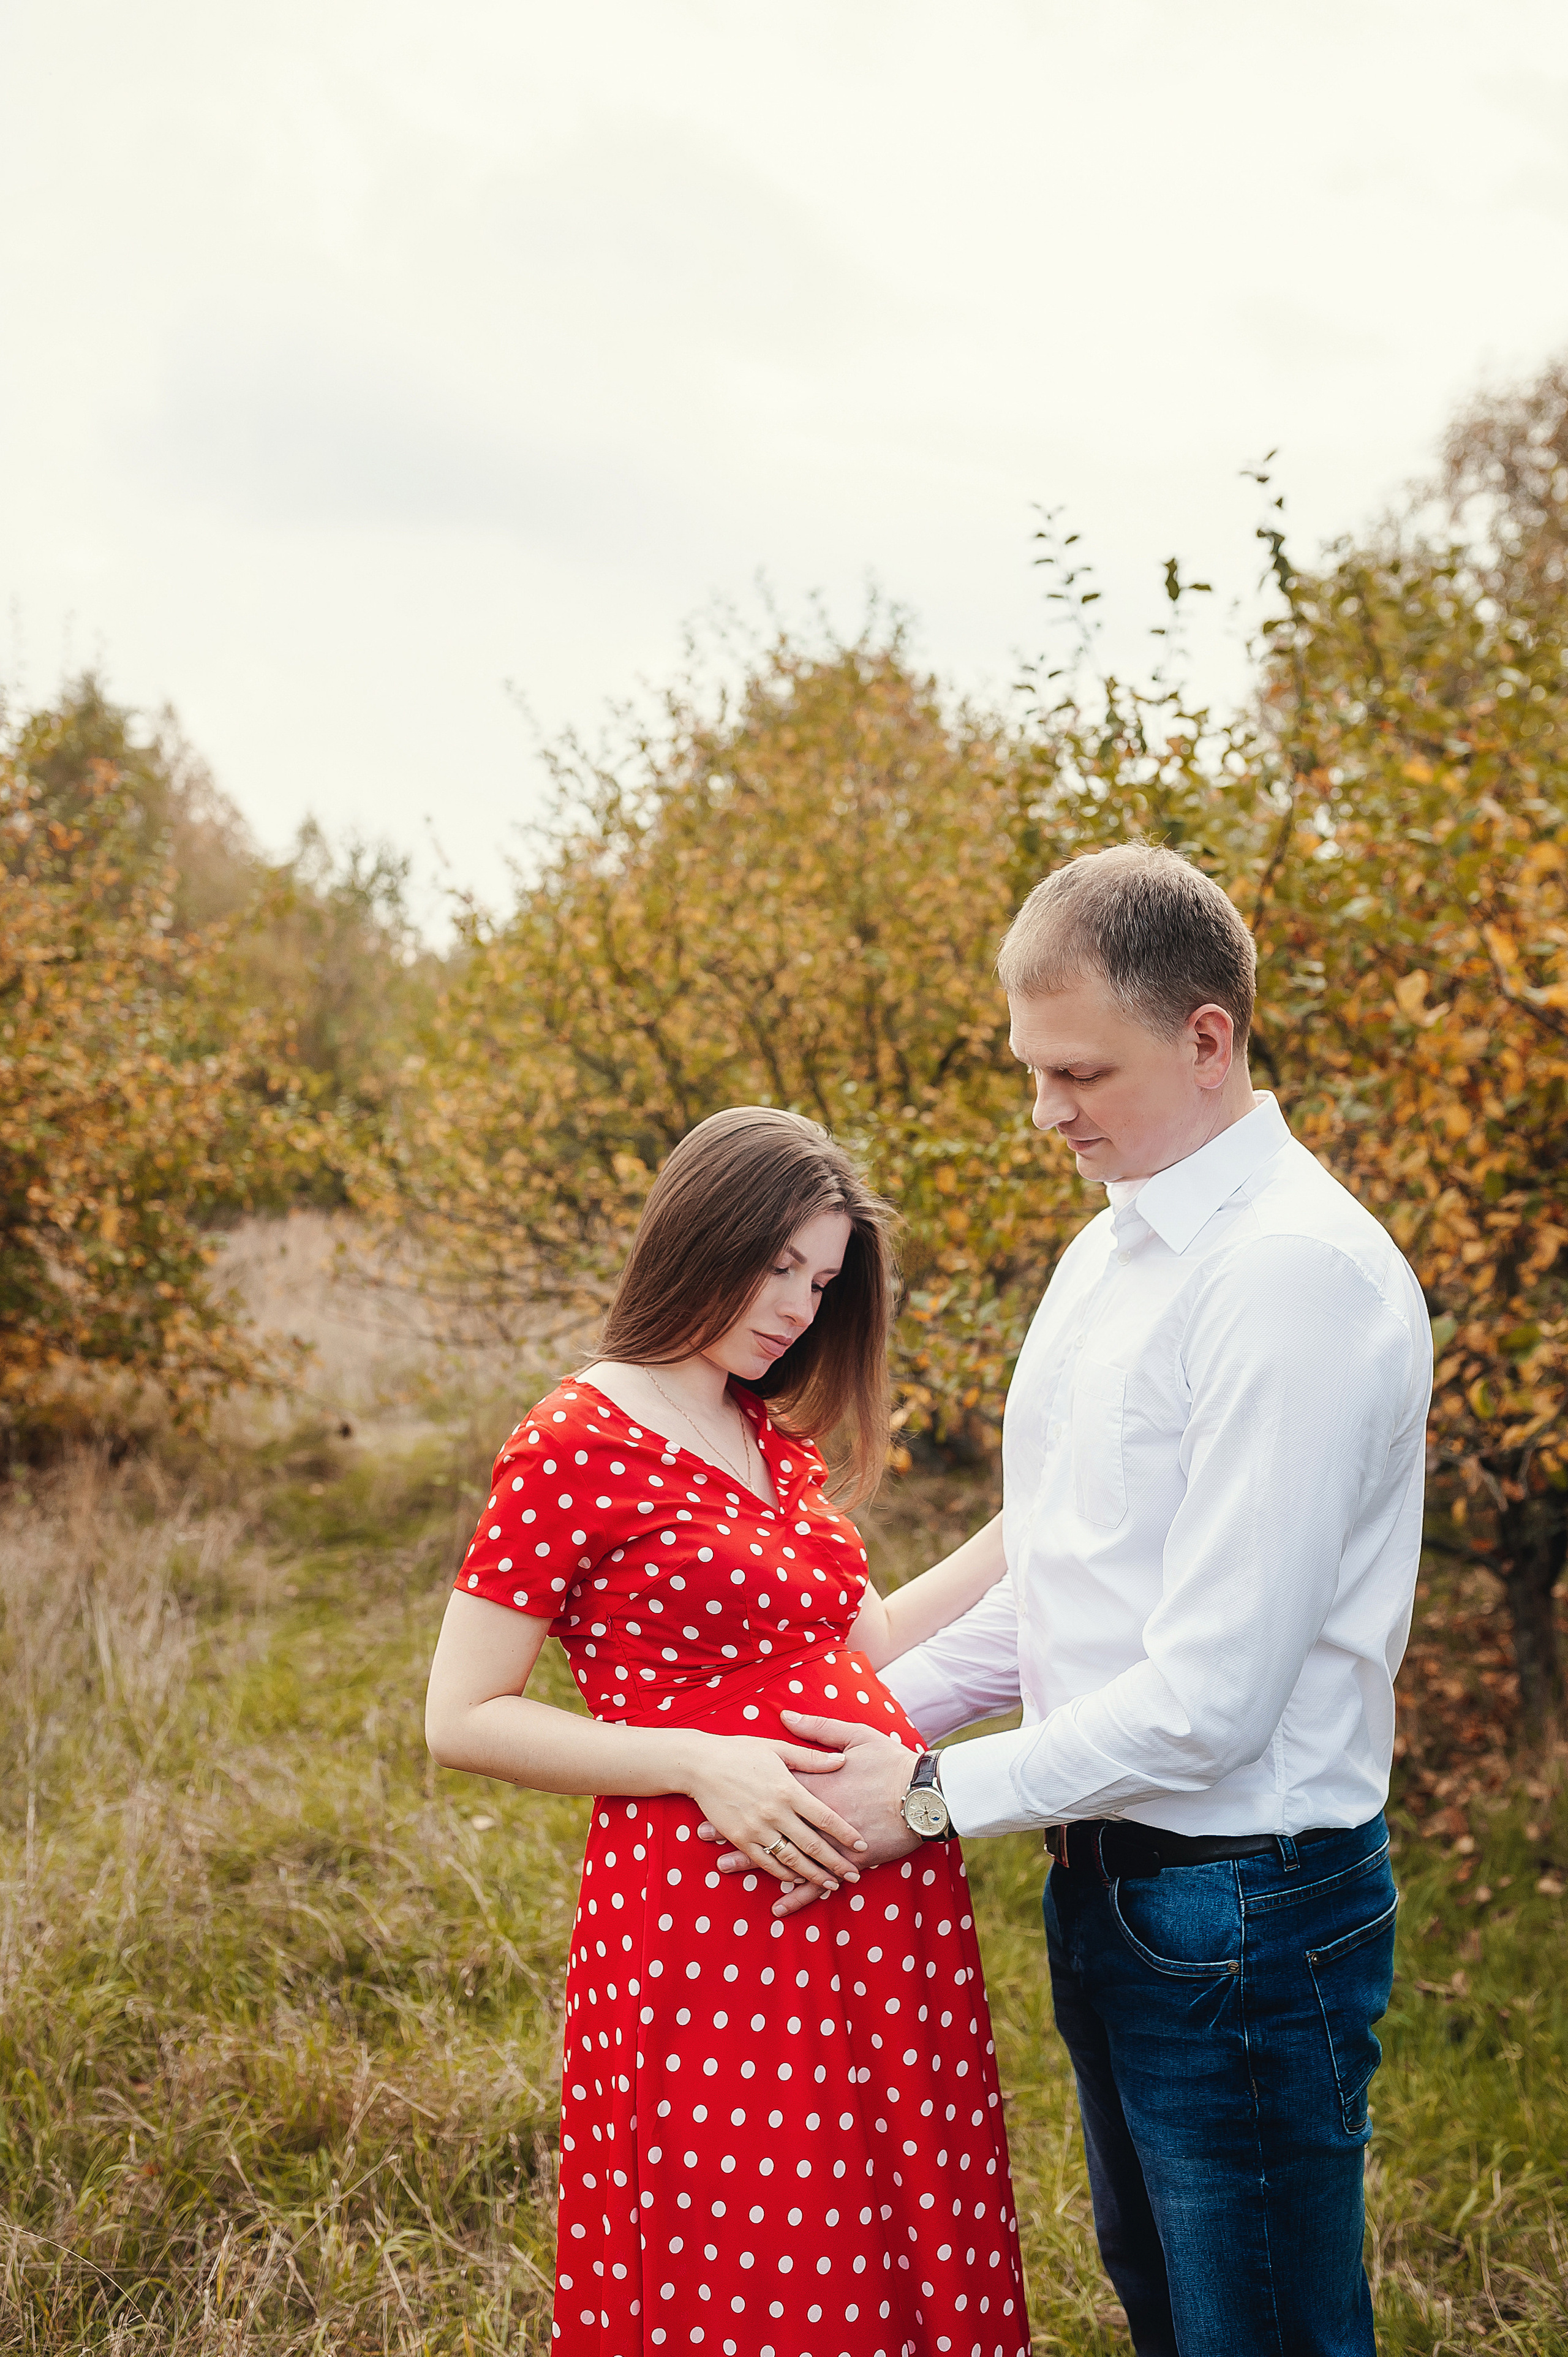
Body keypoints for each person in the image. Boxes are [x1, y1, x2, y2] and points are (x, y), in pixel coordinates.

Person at [713, 846, 1431, 2357]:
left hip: (1242, 1902)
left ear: (1206, 1039)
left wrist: (919, 1797)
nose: (1045, 1111)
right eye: (1030, 1070)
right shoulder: (1114, 1246)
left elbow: (1212, 1700)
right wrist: (828, 1731)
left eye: (1080, 1072)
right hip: (1106, 1874)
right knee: (1162, 2303)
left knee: (1260, 2330)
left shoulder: (1288, 1278)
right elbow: (1060, 1571)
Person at [424, 1105, 1031, 2357]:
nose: (799, 1307)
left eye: (822, 1282)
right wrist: (700, 1759)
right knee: (765, 2252)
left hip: (876, 1895)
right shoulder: (574, 1441)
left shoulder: (763, 1433)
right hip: (716, 1917)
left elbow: (863, 1645)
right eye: (779, 1267)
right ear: (701, 1237)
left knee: (885, 2235)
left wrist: (1033, 1521)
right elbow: (461, 1715)